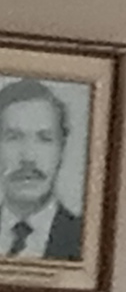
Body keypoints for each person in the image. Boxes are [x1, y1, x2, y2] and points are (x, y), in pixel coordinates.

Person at [0, 74, 85, 261]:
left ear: (62, 148)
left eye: (44, 139)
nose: (28, 157)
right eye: (13, 138)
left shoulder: (87, 240)